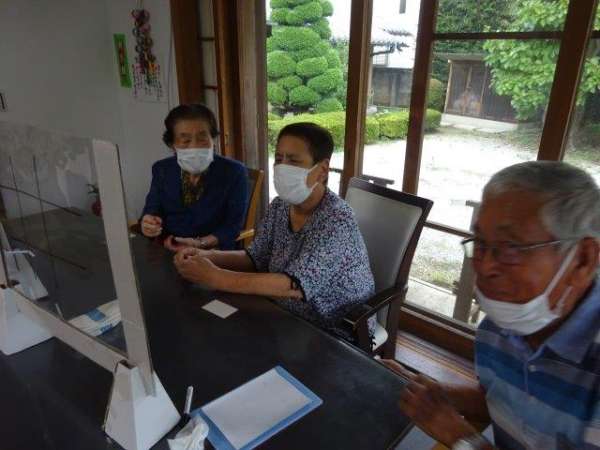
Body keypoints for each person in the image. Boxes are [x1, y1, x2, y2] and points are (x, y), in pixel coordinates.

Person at [391, 161, 600, 450]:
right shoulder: (497, 328)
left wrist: (462, 438)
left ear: (583, 260)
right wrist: (433, 393)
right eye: (480, 242)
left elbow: (465, 435)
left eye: (512, 247)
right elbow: (501, 400)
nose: (485, 266)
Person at [173, 122, 374, 340]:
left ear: (322, 170)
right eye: (279, 159)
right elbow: (255, 257)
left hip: (334, 327)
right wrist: (207, 256)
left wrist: (215, 276)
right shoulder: (280, 205)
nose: (282, 167)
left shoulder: (337, 219)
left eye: (293, 161)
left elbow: (294, 286)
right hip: (283, 311)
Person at [140, 104, 248, 250]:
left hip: (214, 252)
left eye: (202, 139)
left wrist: (199, 243)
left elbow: (233, 226)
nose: (194, 147)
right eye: (185, 141)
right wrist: (148, 223)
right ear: (172, 145)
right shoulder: (162, 169)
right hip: (169, 247)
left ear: (213, 139)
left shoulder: (234, 171)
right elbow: (152, 209)